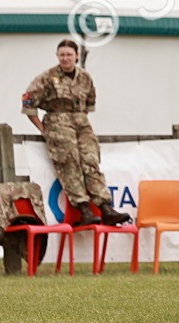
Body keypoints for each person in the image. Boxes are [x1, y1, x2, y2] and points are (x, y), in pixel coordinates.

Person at [22, 40, 130, 226]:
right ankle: (83, 209)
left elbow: (89, 103)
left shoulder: (85, 78)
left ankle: (105, 207)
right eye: (62, 54)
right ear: (57, 56)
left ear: (76, 56)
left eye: (69, 54)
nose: (65, 58)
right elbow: (28, 105)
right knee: (69, 163)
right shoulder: (46, 78)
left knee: (91, 161)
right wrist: (43, 129)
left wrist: (79, 119)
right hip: (57, 122)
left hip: (81, 123)